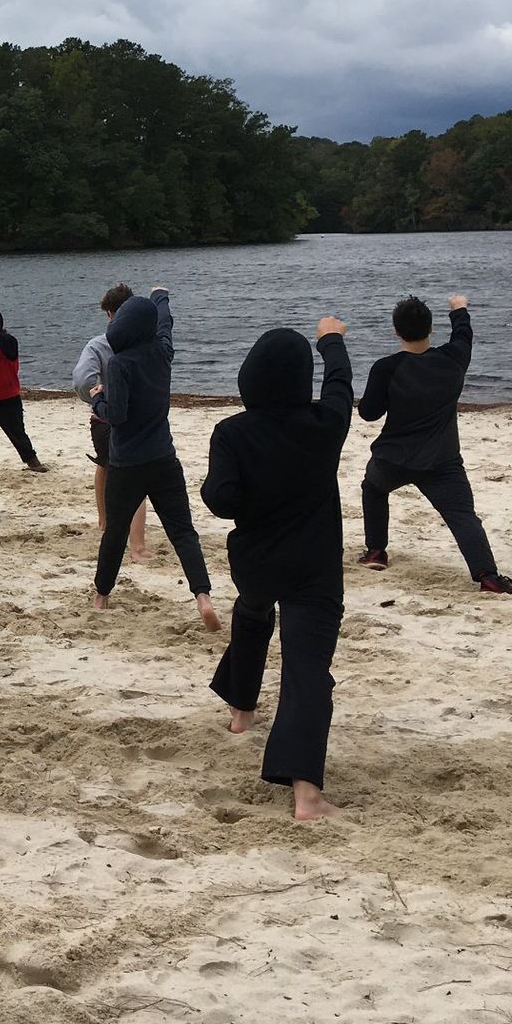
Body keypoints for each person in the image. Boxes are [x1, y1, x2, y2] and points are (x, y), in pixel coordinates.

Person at [202, 317, 354, 822]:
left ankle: (242, 715)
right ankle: (306, 796)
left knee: (251, 615)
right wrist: (331, 340)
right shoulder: (326, 424)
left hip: (257, 562)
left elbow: (220, 501)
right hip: (314, 565)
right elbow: (340, 385)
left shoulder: (231, 432)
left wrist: (249, 492)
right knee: (308, 670)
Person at [356, 295, 512, 593]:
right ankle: (487, 577)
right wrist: (459, 309)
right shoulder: (453, 358)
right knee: (462, 517)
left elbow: (369, 413)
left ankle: (376, 552)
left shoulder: (386, 367)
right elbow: (464, 334)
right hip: (442, 461)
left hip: (393, 458)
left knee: (373, 488)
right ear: (430, 329)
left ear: (396, 331)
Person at [89, 287, 223, 631]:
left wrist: (97, 399)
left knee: (116, 532)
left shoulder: (119, 364)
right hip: (164, 457)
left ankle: (101, 597)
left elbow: (116, 416)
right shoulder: (162, 353)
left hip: (126, 464)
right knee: (183, 533)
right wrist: (161, 296)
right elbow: (165, 325)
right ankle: (203, 597)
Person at [75, 284, 149, 561]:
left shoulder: (98, 343)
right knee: (135, 479)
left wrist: (95, 398)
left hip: (103, 417)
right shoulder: (147, 342)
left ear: (109, 313)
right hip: (134, 419)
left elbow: (82, 380)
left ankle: (104, 523)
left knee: (104, 465)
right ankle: (137, 545)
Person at [0, 307, 47, 471]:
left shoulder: (8, 342)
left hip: (7, 399)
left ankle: (33, 462)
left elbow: (6, 344)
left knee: (18, 434)